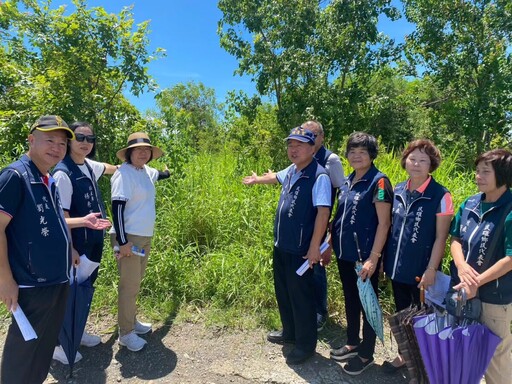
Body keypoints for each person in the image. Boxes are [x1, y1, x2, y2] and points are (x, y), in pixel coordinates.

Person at [243, 127, 331, 365]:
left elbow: (323, 212)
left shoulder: (319, 176)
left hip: (302, 249)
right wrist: (257, 179)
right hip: (282, 245)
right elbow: (275, 177)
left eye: (300, 145)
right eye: (290, 145)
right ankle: (289, 333)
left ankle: (305, 345)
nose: (293, 149)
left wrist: (315, 247)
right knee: (284, 292)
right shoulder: (292, 170)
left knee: (302, 298)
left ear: (313, 148)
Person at [0, 115, 74, 383]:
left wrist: (70, 251)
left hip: (56, 281)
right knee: (22, 356)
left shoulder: (47, 179)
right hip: (31, 285)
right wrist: (5, 280)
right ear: (31, 140)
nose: (56, 147)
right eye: (49, 140)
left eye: (62, 143)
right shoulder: (15, 176)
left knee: (42, 351)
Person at [382, 139, 453, 373]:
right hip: (396, 267)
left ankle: (424, 365)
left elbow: (441, 237)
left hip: (422, 272)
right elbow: (390, 228)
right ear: (405, 161)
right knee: (402, 313)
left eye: (424, 160)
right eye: (413, 159)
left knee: (423, 319)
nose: (417, 164)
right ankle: (404, 356)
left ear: (431, 165)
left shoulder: (441, 195)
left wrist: (431, 269)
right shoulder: (399, 189)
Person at [329, 132, 393, 376]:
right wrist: (329, 243)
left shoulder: (378, 182)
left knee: (367, 304)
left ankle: (366, 353)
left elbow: (384, 223)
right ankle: (352, 342)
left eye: (362, 152)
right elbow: (339, 218)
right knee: (351, 299)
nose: (356, 156)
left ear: (372, 155)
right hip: (344, 254)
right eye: (352, 151)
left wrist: (373, 257)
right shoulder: (347, 181)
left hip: (364, 257)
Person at [52, 121, 115, 364]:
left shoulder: (88, 165)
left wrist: (133, 165)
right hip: (76, 248)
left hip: (92, 245)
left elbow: (110, 168)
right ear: (69, 140)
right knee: (69, 295)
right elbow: (62, 217)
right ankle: (60, 345)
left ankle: (76, 333)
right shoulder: (63, 173)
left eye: (90, 139)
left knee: (83, 292)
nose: (86, 143)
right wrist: (71, 249)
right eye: (80, 137)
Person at [449, 149, 512, 384]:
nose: (478, 176)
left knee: (496, 357)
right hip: (463, 292)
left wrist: (474, 282)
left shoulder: (510, 209)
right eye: (477, 171)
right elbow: (455, 238)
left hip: (494, 297)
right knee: (463, 349)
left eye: (486, 172)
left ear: (503, 175)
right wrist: (462, 266)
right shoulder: (471, 203)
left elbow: (510, 259)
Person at [110, 132, 170, 352]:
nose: (143, 153)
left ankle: (131, 321)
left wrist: (167, 172)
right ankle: (125, 333)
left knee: (135, 283)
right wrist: (123, 242)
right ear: (129, 153)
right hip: (129, 238)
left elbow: (159, 175)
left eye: (147, 150)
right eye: (138, 150)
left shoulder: (146, 171)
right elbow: (117, 207)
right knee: (129, 286)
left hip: (144, 237)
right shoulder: (124, 174)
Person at [301, 120, 344, 331]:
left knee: (317, 269)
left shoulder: (331, 160)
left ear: (322, 137)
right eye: (304, 133)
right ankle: (303, 312)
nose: (308, 137)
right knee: (301, 269)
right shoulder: (301, 156)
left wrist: (330, 241)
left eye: (313, 134)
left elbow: (342, 199)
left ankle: (320, 312)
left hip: (321, 225)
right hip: (302, 227)